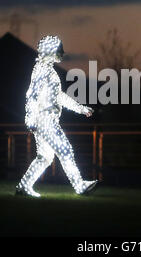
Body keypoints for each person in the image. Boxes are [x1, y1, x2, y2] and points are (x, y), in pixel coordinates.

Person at [15, 35, 98, 197]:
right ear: (51, 51)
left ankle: (23, 186)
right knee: (65, 150)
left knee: (45, 157)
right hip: (45, 121)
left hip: (43, 121)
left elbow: (58, 96)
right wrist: (30, 118)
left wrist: (79, 108)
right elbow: (32, 94)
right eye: (60, 49)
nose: (63, 52)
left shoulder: (46, 70)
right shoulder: (43, 70)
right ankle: (80, 185)